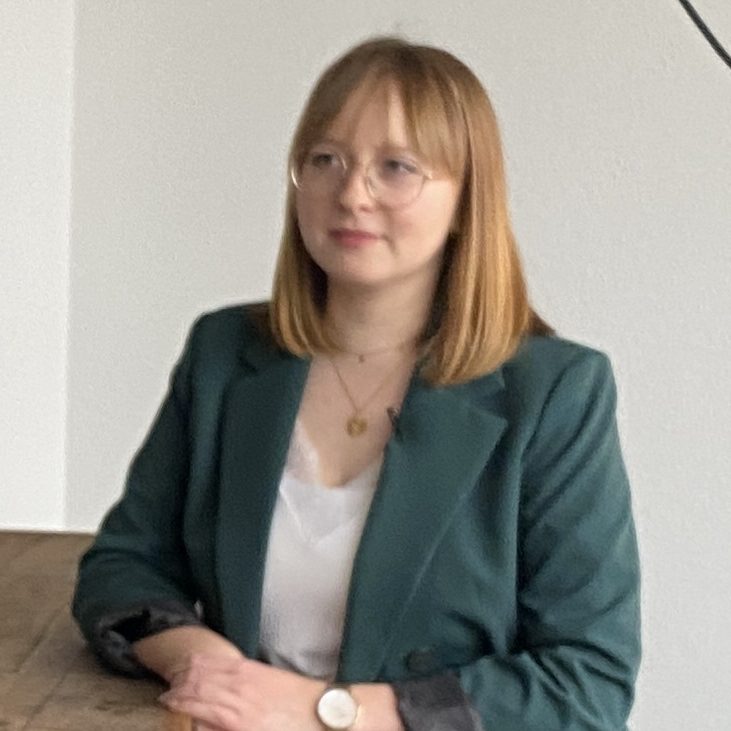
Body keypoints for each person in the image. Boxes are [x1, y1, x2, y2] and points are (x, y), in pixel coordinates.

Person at [72, 36, 641, 731]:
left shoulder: (554, 394)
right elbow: (124, 566)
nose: (350, 193)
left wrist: (327, 711)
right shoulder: (225, 353)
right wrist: (207, 664)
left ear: (466, 198)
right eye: (325, 160)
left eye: (396, 167)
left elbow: (585, 683)